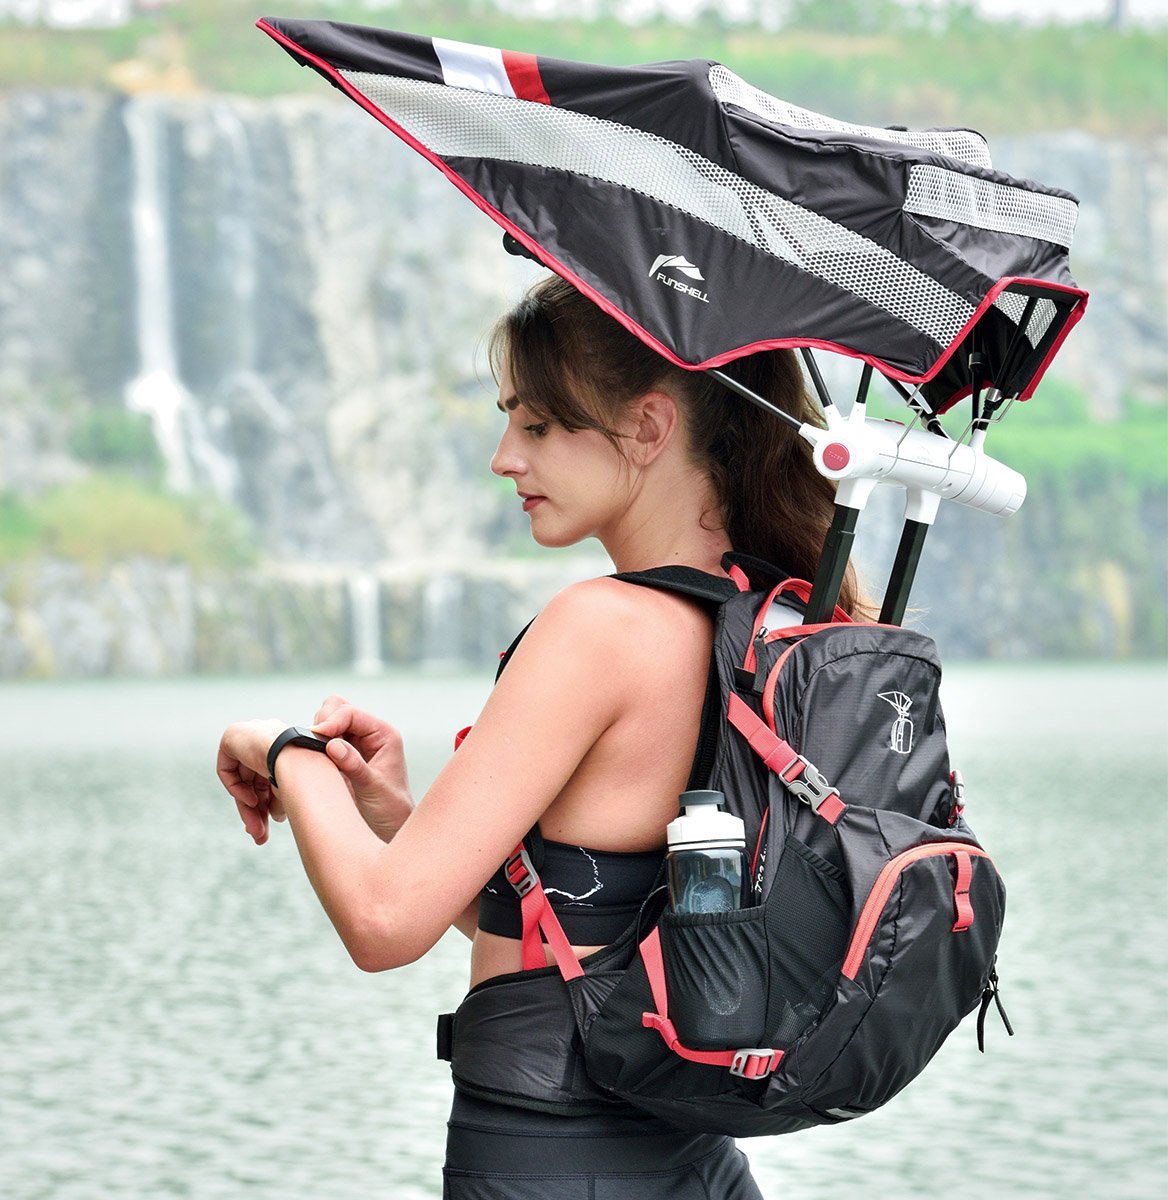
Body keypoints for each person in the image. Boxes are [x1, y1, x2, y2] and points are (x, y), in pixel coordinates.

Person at [217, 274, 862, 1198]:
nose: (502, 458)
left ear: (647, 429)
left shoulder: (600, 627)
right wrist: (399, 818)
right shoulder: (773, 620)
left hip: (552, 1157)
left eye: (536, 424)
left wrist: (277, 749)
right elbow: (573, 926)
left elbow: (380, 924)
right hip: (689, 1159)